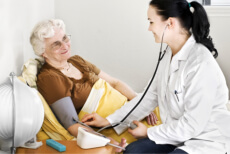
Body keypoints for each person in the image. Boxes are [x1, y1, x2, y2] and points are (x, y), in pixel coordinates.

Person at [81, 0, 230, 153]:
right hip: (176, 136)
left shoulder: (200, 63)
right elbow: (149, 96)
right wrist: (110, 121)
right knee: (132, 151)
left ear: (170, 23)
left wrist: (148, 132)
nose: (149, 28)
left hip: (205, 140)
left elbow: (192, 125)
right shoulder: (168, 54)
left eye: (151, 22)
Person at [29, 19, 158, 139]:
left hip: (130, 110)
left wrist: (141, 104)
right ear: (43, 52)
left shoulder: (77, 60)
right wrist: (108, 143)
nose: (65, 46)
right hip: (118, 127)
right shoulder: (50, 78)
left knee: (164, 114)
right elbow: (73, 125)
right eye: (56, 44)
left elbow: (115, 83)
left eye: (65, 38)